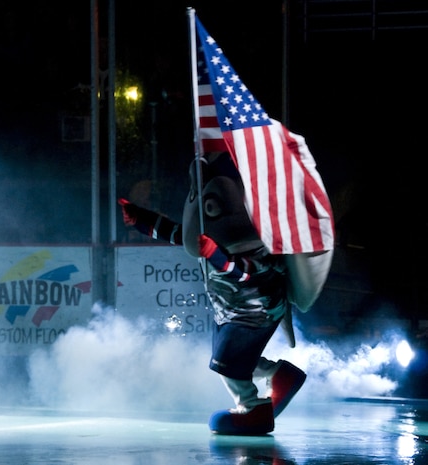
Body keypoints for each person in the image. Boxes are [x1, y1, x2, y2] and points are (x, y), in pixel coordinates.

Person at [119, 151, 331, 435]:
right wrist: (141, 219)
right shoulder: (214, 235)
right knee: (232, 358)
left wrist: (216, 255)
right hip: (233, 310)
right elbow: (177, 234)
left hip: (255, 311)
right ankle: (278, 375)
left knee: (226, 365)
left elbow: (244, 271)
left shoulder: (259, 246)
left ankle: (252, 408)